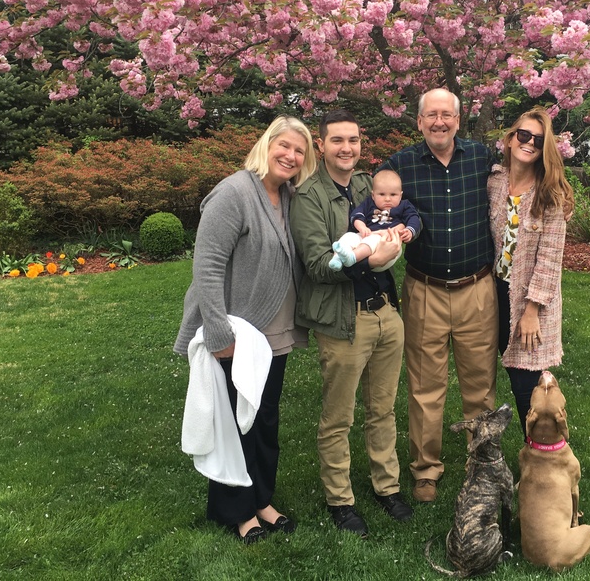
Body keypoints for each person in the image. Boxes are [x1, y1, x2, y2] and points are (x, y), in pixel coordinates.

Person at [174, 116, 316, 544]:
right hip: (235, 333)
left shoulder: (288, 196)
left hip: (275, 334)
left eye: (300, 151)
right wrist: (218, 333)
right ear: (266, 144)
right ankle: (236, 512)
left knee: (264, 419)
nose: (290, 156)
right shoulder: (234, 192)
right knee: (236, 425)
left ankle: (261, 498)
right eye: (284, 145)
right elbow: (207, 266)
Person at [290, 109, 413, 537]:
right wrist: (371, 257)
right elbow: (318, 265)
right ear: (321, 145)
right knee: (338, 416)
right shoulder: (308, 196)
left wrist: (395, 239)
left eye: (354, 140)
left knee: (382, 408)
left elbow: (398, 219)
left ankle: (387, 486)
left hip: (385, 313)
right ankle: (340, 500)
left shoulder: (367, 184)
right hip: (343, 321)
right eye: (338, 141)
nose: (347, 148)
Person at [381, 88, 498, 503]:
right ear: (419, 122)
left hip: (477, 289)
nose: (439, 122)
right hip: (424, 289)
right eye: (430, 115)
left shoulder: (483, 159)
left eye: (446, 115)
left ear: (458, 119)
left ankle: (481, 464)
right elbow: (373, 203)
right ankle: (426, 470)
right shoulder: (400, 166)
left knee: (480, 385)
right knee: (425, 386)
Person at [487, 107, 575, 436]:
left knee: (527, 386)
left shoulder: (550, 194)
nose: (529, 143)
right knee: (484, 378)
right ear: (510, 139)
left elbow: (551, 258)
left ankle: (545, 461)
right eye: (523, 135)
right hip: (489, 293)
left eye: (538, 141)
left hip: (528, 301)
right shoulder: (494, 182)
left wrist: (532, 309)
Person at [328, 169, 421, 271]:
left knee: (373, 240)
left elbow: (414, 218)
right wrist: (362, 227)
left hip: (386, 243)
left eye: (393, 195)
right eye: (382, 194)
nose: (387, 199)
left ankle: (353, 257)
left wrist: (409, 230)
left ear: (401, 195)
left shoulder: (404, 206)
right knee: (349, 236)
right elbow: (357, 215)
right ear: (373, 195)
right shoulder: (369, 203)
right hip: (367, 234)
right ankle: (337, 258)